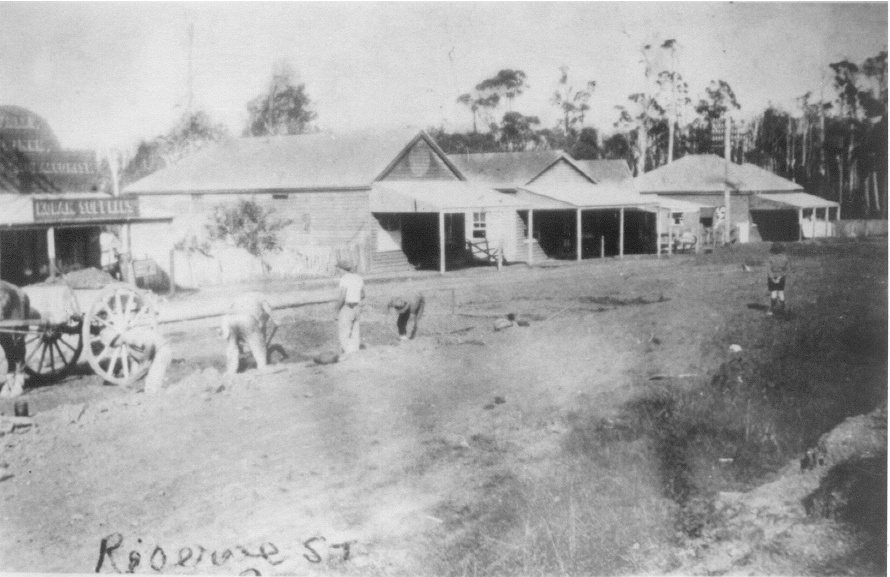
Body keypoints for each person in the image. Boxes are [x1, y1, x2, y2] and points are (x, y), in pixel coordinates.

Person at [220, 292, 276, 374]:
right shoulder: (261, 296)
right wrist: (276, 320)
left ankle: (231, 371)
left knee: (232, 344)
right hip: (246, 318)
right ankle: (262, 366)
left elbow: (227, 310)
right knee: (257, 343)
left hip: (229, 319)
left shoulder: (239, 297)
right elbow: (267, 311)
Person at [336, 261, 364, 356]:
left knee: (344, 331)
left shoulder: (344, 279)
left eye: (338, 269)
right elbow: (363, 294)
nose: (338, 271)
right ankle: (355, 352)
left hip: (347, 307)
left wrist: (336, 310)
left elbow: (342, 297)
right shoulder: (358, 278)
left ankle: (347, 353)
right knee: (355, 330)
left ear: (342, 269)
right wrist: (354, 297)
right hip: (357, 307)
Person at [766, 242, 790, 316]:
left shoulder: (770, 258)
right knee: (781, 292)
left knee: (773, 293)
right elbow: (787, 269)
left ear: (773, 250)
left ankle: (771, 310)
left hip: (772, 277)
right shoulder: (785, 258)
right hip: (782, 277)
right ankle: (783, 309)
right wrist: (780, 276)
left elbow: (768, 269)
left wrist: (773, 278)